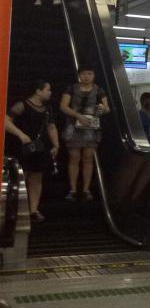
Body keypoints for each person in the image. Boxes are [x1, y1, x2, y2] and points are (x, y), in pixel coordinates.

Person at [5, 80, 59, 222]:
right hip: (22, 146)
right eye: (47, 89)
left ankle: (33, 210)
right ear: (38, 91)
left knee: (36, 178)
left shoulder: (47, 108)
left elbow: (51, 127)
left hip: (40, 147)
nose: (50, 92)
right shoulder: (22, 105)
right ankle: (16, 210)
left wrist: (56, 145)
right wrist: (20, 134)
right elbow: (5, 121)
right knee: (21, 177)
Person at [60, 66, 109, 202]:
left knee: (88, 158)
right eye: (83, 74)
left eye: (89, 73)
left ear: (94, 75)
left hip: (91, 127)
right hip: (73, 126)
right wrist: (78, 116)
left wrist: (103, 109)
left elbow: (107, 108)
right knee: (74, 157)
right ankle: (73, 189)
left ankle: (86, 189)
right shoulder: (71, 88)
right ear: (79, 75)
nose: (86, 76)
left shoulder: (99, 90)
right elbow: (63, 106)